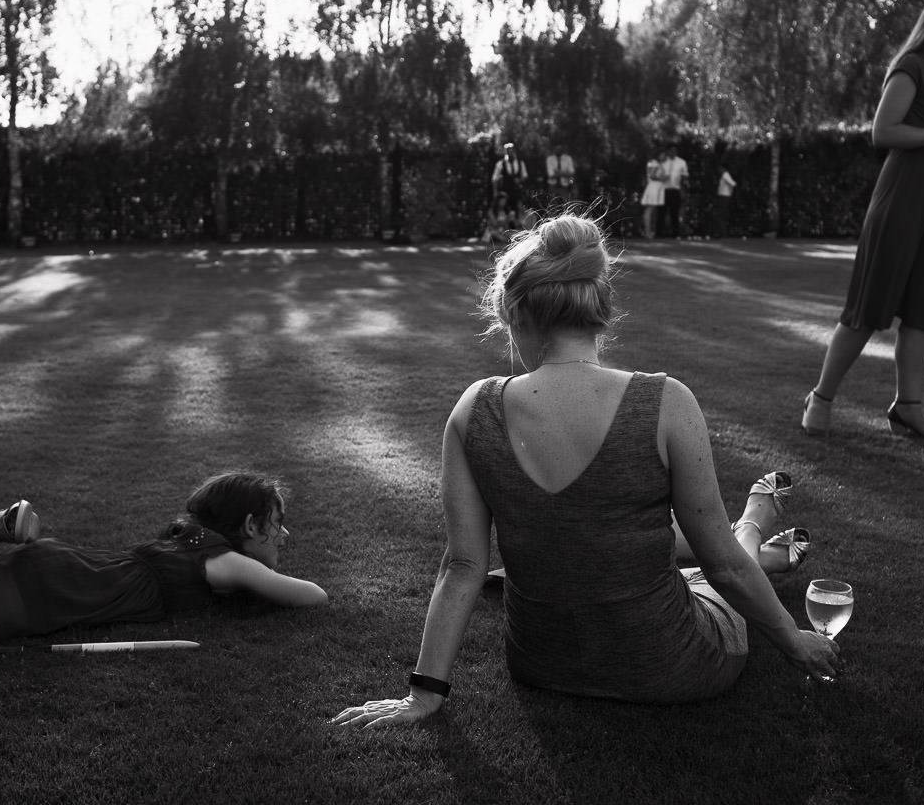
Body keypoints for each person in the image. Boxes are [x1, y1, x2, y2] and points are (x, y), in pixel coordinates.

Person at [330, 212, 838, 728]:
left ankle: (756, 532)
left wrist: (424, 695)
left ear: (514, 312)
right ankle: (753, 523)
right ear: (600, 308)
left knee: (694, 569)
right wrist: (792, 639)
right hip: (673, 665)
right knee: (715, 568)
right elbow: (724, 565)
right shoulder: (665, 402)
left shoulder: (474, 410)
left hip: (541, 665)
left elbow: (462, 566)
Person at [0, 430, 327, 651]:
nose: (284, 535)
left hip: (58, 567)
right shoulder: (225, 561)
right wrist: (262, 573)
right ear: (248, 526)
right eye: (276, 523)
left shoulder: (186, 538)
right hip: (55, 591)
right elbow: (313, 596)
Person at [801, 0, 924, 439]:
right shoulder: (912, 68)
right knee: (870, 305)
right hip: (901, 199)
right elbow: (883, 132)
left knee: (923, 309)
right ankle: (820, 398)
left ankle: (908, 406)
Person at [492, 142, 528, 220]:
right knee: (507, 212)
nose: (510, 152)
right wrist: (495, 192)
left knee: (518, 211)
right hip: (506, 193)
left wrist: (520, 180)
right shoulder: (500, 164)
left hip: (517, 192)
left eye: (512, 150)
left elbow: (524, 175)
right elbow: (495, 179)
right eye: (508, 150)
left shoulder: (520, 162)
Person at [660, 143, 690, 237]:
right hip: (663, 190)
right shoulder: (663, 161)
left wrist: (684, 182)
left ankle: (675, 233)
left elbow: (685, 175)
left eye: (675, 151)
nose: (673, 152)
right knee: (661, 212)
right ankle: (659, 233)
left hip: (675, 190)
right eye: (671, 150)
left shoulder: (681, 162)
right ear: (668, 151)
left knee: (675, 212)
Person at [639, 148, 668, 239]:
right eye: (662, 154)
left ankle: (650, 232)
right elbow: (652, 176)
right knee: (649, 210)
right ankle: (648, 233)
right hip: (653, 188)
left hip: (657, 188)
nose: (664, 156)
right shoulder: (653, 162)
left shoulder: (658, 163)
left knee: (652, 210)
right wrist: (663, 179)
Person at [713, 164, 737, 237]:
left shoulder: (725, 175)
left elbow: (733, 184)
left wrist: (730, 192)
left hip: (724, 196)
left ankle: (723, 233)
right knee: (720, 215)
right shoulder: (724, 175)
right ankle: (722, 233)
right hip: (724, 196)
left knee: (720, 216)